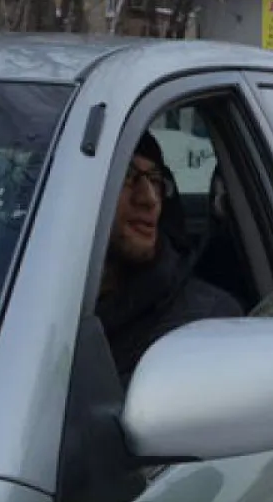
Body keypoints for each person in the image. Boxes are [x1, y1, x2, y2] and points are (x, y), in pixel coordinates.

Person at [97, 130, 242, 381]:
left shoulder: (205, 324)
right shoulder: (18, 301)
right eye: (127, 176)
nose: (149, 199)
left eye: (155, 180)